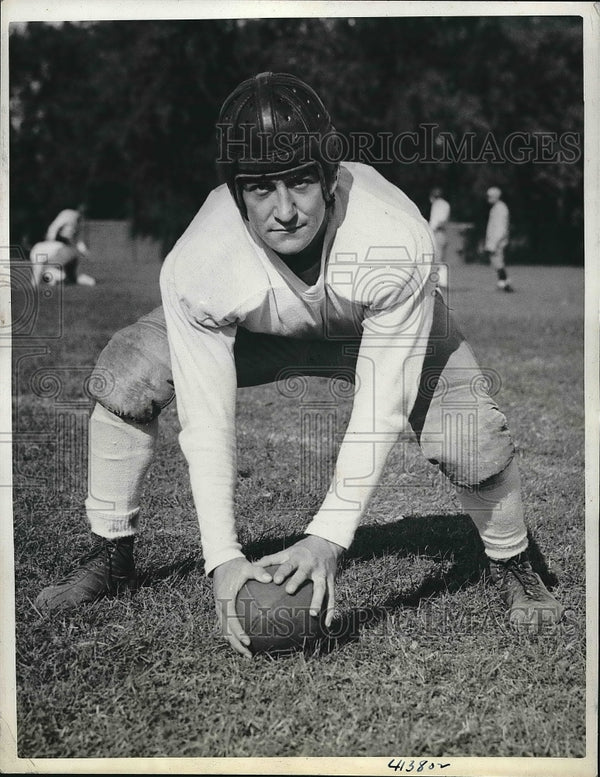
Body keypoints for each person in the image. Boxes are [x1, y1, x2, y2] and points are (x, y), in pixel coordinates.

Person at [35, 72, 562, 656]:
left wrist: (328, 538)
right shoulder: (201, 260)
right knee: (125, 373)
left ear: (331, 177)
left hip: (374, 330)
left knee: (469, 435)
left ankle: (514, 556)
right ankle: (111, 550)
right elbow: (207, 422)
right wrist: (223, 561)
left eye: (301, 182)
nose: (284, 210)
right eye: (261, 188)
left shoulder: (391, 236)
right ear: (235, 194)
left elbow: (380, 403)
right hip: (264, 335)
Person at [29, 207, 96, 287]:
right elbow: (78, 241)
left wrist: (34, 285)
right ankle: (90, 281)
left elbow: (37, 270)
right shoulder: (43, 246)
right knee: (72, 278)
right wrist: (86, 253)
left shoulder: (35, 250)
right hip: (72, 252)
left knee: (47, 270)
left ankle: (61, 278)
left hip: (64, 251)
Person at [484, 187, 512, 292]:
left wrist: (494, 243)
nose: (488, 198)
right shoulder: (496, 207)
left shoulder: (501, 208)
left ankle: (505, 282)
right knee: (496, 262)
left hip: (497, 241)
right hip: (494, 240)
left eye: (489, 196)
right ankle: (502, 282)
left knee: (498, 262)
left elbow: (501, 228)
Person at [428, 187, 450, 290]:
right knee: (439, 258)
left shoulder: (439, 204)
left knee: (438, 258)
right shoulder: (444, 204)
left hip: (438, 232)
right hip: (439, 232)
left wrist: (434, 229)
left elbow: (440, 220)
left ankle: (442, 282)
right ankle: (440, 282)